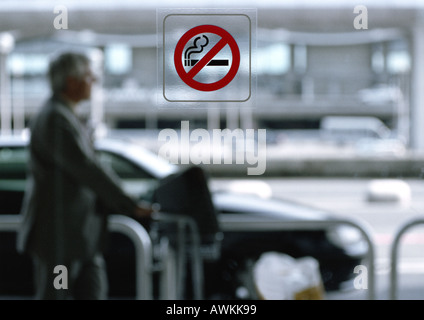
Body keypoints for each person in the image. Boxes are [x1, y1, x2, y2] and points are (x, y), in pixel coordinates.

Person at [17, 51, 153, 300]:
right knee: (56, 295)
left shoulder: (64, 116)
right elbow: (87, 167)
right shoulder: (55, 118)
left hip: (78, 237)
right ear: (72, 81)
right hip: (60, 237)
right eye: (90, 77)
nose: (95, 82)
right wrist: (129, 203)